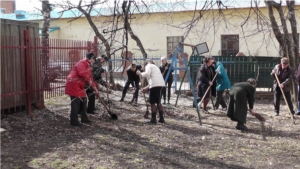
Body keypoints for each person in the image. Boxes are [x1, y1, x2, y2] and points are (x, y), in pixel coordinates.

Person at [65, 52, 99, 126]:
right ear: (90, 58)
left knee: (84, 99)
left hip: (79, 84)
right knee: (75, 102)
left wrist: (94, 87)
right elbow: (82, 73)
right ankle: (74, 121)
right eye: (93, 59)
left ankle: (84, 118)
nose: (94, 61)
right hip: (73, 83)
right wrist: (89, 81)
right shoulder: (82, 63)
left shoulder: (88, 65)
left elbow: (90, 77)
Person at [136, 59, 166, 124]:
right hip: (161, 85)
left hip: (155, 86)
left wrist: (140, 73)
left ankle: (153, 119)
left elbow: (147, 73)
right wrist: (145, 88)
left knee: (152, 103)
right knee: (158, 102)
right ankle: (161, 118)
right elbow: (151, 82)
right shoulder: (156, 67)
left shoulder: (148, 66)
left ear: (146, 63)